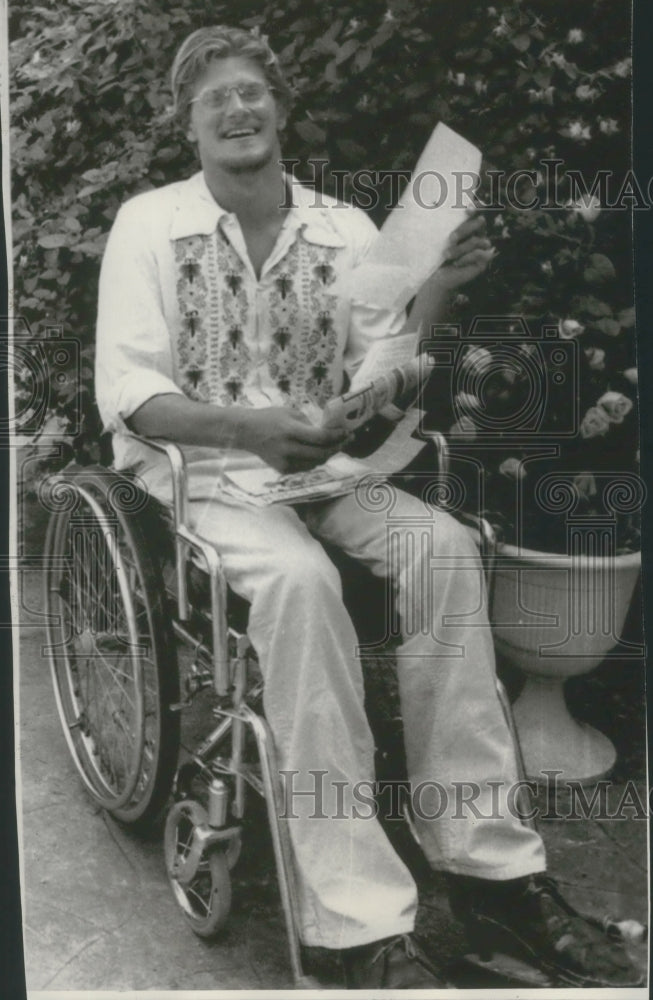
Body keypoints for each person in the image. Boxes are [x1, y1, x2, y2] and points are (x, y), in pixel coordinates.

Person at [95, 25, 641, 989]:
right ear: (187, 122)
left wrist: (430, 296)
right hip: (210, 479)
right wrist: (248, 429)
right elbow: (129, 391)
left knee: (444, 552)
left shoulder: (342, 227)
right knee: (301, 586)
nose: (237, 109)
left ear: (281, 108)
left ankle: (490, 875)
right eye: (213, 96)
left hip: (327, 472)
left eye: (251, 91)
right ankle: (356, 925)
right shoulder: (149, 224)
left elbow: (384, 363)